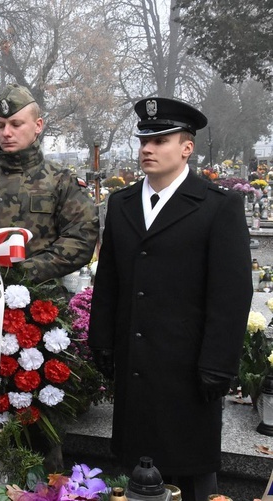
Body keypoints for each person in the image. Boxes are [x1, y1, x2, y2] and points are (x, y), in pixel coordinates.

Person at [88, 97, 252, 500]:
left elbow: (231, 293)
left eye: (160, 140)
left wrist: (218, 364)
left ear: (186, 147)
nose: (147, 148)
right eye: (144, 139)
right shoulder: (122, 202)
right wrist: (102, 341)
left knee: (190, 474)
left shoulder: (217, 206)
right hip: (136, 367)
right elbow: (108, 279)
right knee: (137, 472)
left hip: (189, 371)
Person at [0, 83, 98, 283]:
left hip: (40, 303)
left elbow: (80, 240)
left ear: (38, 126)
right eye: (1, 125)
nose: (6, 133)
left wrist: (22, 272)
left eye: (16, 124)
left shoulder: (61, 181)